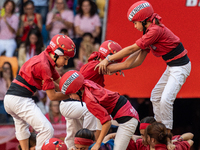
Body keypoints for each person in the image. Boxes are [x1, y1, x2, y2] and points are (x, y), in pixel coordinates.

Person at [95, 0, 191, 132]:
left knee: (165, 100)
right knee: (155, 96)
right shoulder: (149, 32)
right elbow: (136, 60)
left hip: (180, 67)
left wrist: (108, 59)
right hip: (172, 66)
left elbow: (131, 49)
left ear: (144, 20)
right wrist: (117, 67)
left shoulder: (154, 31)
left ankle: (166, 132)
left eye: (135, 22)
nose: (134, 26)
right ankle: (160, 127)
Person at [3, 34, 76, 150]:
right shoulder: (45, 65)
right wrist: (71, 95)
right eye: (66, 59)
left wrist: (74, 90)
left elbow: (61, 84)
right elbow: (52, 96)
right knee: (47, 129)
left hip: (10, 99)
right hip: (20, 99)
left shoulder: (45, 58)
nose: (66, 63)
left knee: (22, 127)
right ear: (57, 53)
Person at [59, 40, 123, 149]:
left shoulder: (94, 64)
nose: (115, 65)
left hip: (73, 104)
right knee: (92, 110)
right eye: (114, 61)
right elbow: (128, 64)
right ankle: (88, 142)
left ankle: (83, 143)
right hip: (71, 102)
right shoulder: (97, 66)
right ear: (108, 58)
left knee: (72, 137)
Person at [59, 70, 139, 150]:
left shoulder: (89, 100)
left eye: (70, 94)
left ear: (77, 90)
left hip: (127, 119)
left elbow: (107, 122)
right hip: (124, 111)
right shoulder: (86, 83)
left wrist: (98, 144)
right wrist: (97, 142)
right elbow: (101, 119)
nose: (70, 97)